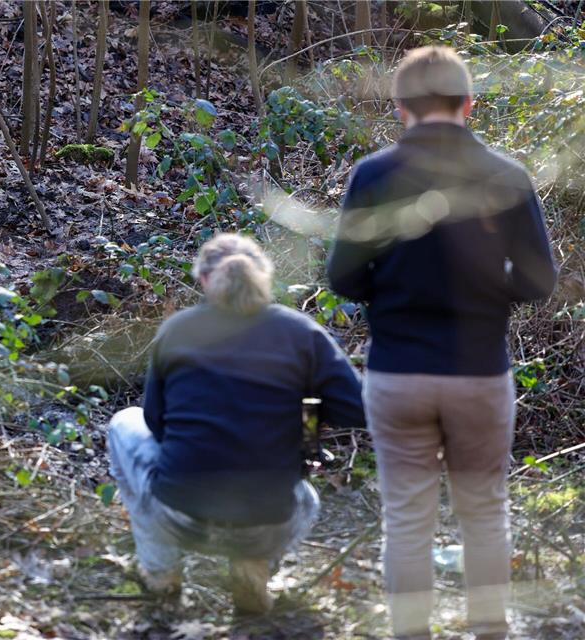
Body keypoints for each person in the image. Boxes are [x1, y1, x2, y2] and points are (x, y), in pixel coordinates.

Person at [327, 46, 557, 640]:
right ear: (469, 104)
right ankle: (489, 631)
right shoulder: (505, 175)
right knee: (484, 515)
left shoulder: (374, 175)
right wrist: (487, 292)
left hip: (398, 372)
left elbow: (344, 278)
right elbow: (539, 282)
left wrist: (396, 289)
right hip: (479, 370)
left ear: (401, 107)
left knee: (406, 520)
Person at [108, 233, 365, 613]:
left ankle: (161, 576)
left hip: (180, 513)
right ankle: (253, 567)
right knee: (307, 499)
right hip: (269, 521)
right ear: (264, 279)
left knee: (122, 423)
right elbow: (357, 410)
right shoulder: (301, 332)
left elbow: (155, 423)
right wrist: (305, 415)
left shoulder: (178, 330)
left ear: (204, 280)